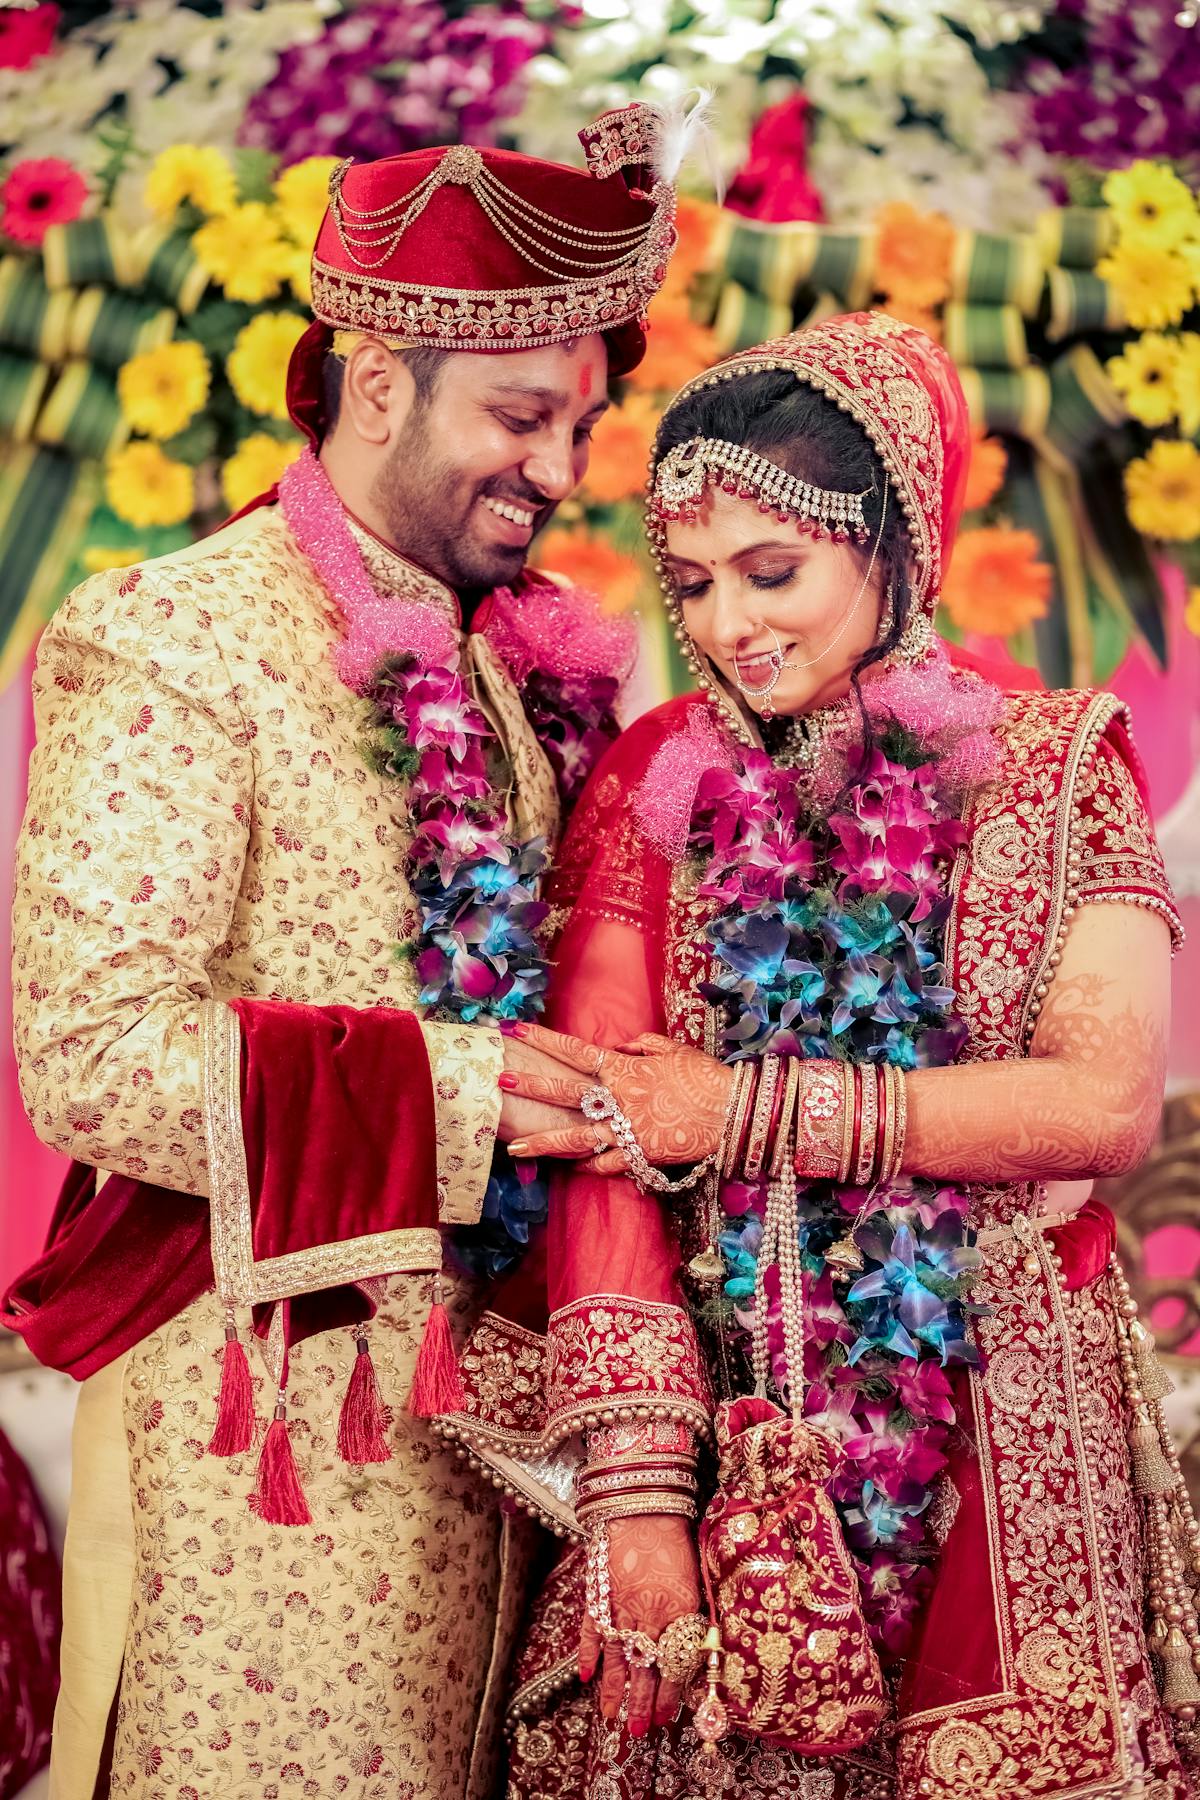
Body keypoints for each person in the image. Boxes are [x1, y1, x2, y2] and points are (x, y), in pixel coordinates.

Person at [3, 102, 685, 1799]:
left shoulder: (516, 683)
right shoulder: (175, 637)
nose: (560, 466)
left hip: (489, 1440)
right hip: (271, 1448)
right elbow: (89, 1055)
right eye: (521, 414)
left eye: (584, 423)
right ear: (377, 379)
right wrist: (467, 1092)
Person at [438, 313, 1200, 1799]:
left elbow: (1100, 1101)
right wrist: (642, 1500)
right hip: (729, 1409)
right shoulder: (656, 781)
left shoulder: (1056, 763)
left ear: (898, 545)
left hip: (1000, 1419)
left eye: (775, 573)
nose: (733, 626)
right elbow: (597, 1134)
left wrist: (743, 1110)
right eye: (699, 584)